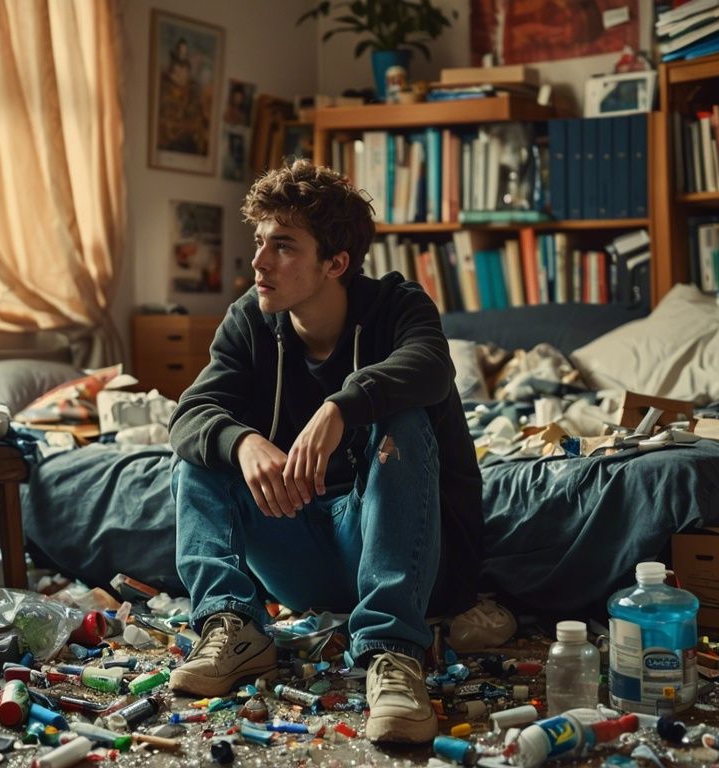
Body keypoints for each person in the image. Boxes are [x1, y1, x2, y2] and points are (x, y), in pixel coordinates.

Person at [167, 159, 483, 744]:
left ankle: (392, 654)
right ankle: (235, 626)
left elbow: (432, 368)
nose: (259, 262)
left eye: (283, 246)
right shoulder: (250, 322)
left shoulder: (397, 306)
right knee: (203, 447)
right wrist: (243, 443)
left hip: (401, 552)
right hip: (301, 548)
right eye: (260, 241)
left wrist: (342, 406)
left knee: (404, 421)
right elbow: (189, 413)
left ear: (335, 263)